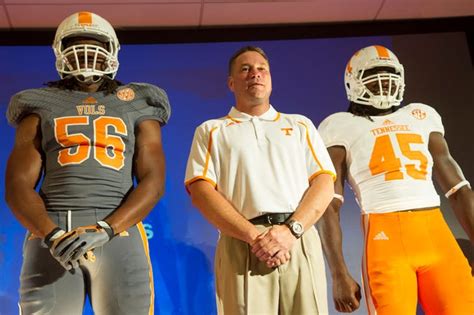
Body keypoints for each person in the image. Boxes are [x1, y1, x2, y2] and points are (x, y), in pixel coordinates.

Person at [5, 11, 170, 314]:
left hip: (118, 230)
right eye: (76, 46)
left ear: (112, 51)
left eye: (93, 47)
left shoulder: (137, 100)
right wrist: (50, 233)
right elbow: (17, 184)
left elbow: (154, 180)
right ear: (59, 53)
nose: (86, 56)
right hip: (54, 230)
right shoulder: (39, 102)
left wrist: (108, 227)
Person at [317, 45, 474, 314]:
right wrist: (338, 273)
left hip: (436, 231)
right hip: (384, 236)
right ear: (353, 82)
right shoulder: (339, 125)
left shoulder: (420, 115)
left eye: (389, 74)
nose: (383, 82)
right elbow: (328, 205)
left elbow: (459, 189)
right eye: (374, 74)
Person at [184, 45, 336, 314]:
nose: (255, 74)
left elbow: (324, 183)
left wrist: (291, 231)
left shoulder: (300, 124)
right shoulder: (212, 130)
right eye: (245, 69)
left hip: (298, 241)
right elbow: (200, 190)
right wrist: (254, 237)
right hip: (242, 243)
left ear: (270, 79)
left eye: (261, 69)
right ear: (231, 83)